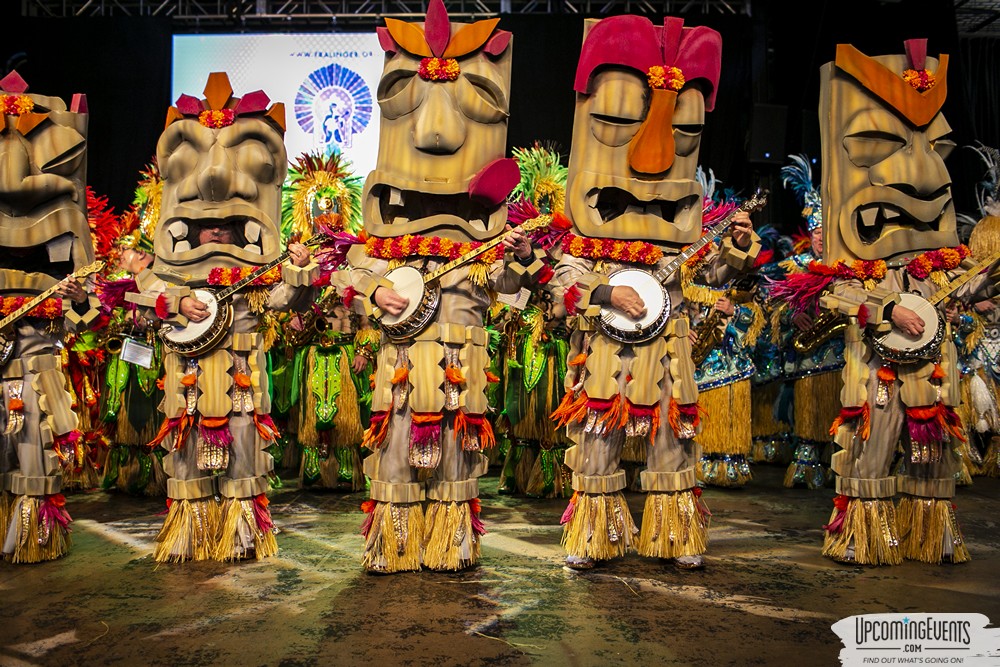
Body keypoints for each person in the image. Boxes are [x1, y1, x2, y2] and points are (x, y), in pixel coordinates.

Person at [547, 15, 760, 571]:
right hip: (604, 364)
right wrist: (606, 293)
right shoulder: (587, 241)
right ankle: (594, 538)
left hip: (670, 358)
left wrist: (736, 248)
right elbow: (562, 288)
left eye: (686, 135)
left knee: (674, 443)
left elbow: (713, 276)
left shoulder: (677, 250)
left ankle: (674, 536)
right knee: (597, 444)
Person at [348, 0, 547, 573]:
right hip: (402, 369)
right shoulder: (384, 245)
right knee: (394, 447)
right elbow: (348, 274)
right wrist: (373, 293)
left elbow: (515, 289)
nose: (435, 135)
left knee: (459, 451)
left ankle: (450, 542)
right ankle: (394, 542)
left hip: (464, 364)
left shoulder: (488, 245)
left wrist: (525, 257)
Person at [128, 73, 319, 562]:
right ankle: (190, 533)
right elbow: (141, 300)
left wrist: (298, 271)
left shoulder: (257, 282)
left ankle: (239, 536)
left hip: (240, 389)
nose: (214, 178)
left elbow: (290, 302)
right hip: (186, 388)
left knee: (242, 453)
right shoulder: (169, 276)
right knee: (186, 457)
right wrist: (174, 303)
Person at [0, 71, 102, 562]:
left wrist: (79, 298)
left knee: (34, 444)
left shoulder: (66, 226)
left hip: (35, 365)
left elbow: (87, 316)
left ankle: (33, 536)